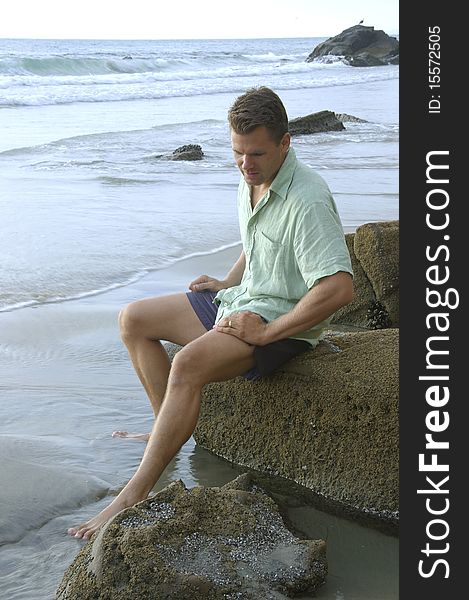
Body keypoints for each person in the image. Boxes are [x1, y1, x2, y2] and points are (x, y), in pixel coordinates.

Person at [68, 86, 353, 539]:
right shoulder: (253, 178)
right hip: (240, 300)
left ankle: (136, 491)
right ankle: (165, 429)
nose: (245, 164)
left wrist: (266, 333)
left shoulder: (308, 199)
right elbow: (258, 240)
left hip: (279, 322)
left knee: (187, 363)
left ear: (286, 143)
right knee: (134, 319)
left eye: (256, 153)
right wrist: (226, 281)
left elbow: (339, 287)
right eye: (237, 152)